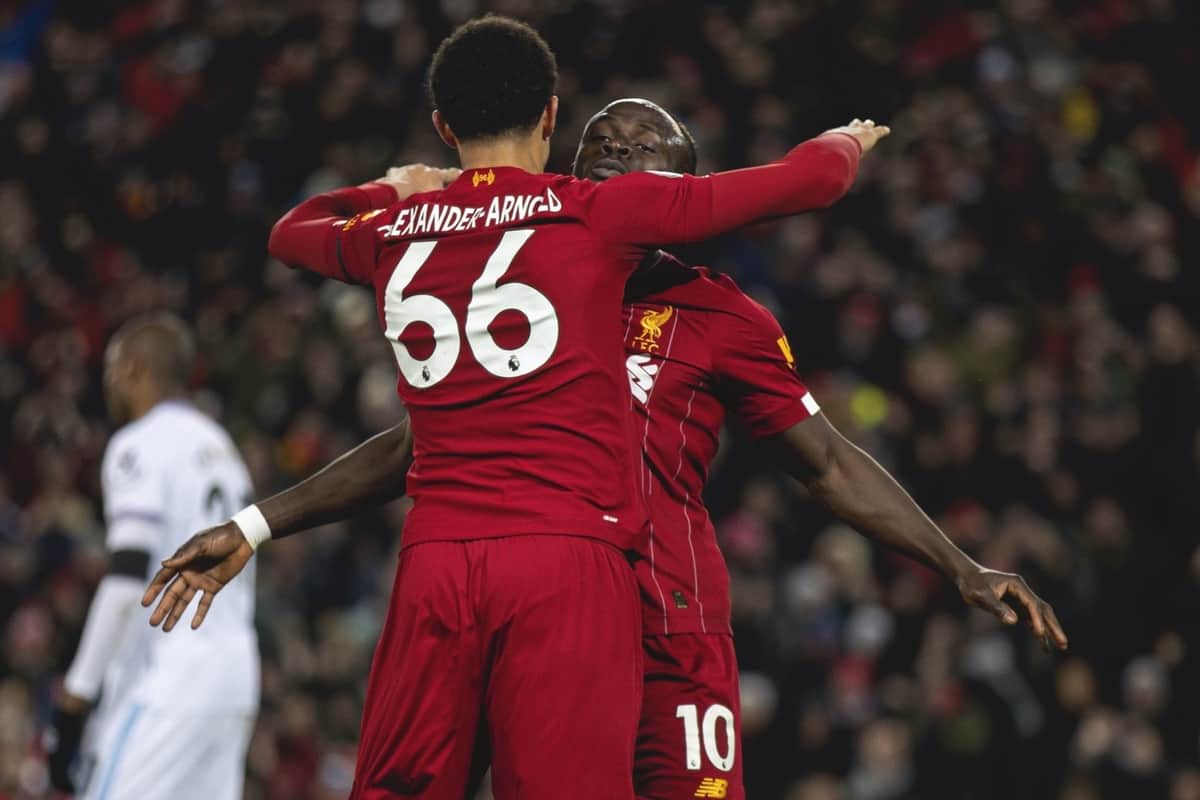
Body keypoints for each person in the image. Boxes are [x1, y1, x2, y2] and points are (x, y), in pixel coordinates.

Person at [145, 97, 1064, 800]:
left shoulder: (723, 318)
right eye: (604, 147)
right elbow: (417, 444)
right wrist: (264, 522)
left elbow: (825, 463)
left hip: (666, 621)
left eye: (643, 150)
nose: (619, 155)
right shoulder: (532, 269)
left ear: (679, 190)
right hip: (531, 620)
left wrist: (957, 565)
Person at [43, 313, 258, 800]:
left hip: (171, 678)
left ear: (135, 368)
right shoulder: (222, 447)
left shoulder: (137, 444)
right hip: (235, 676)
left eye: (111, 371)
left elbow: (125, 584)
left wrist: (75, 698)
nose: (109, 387)